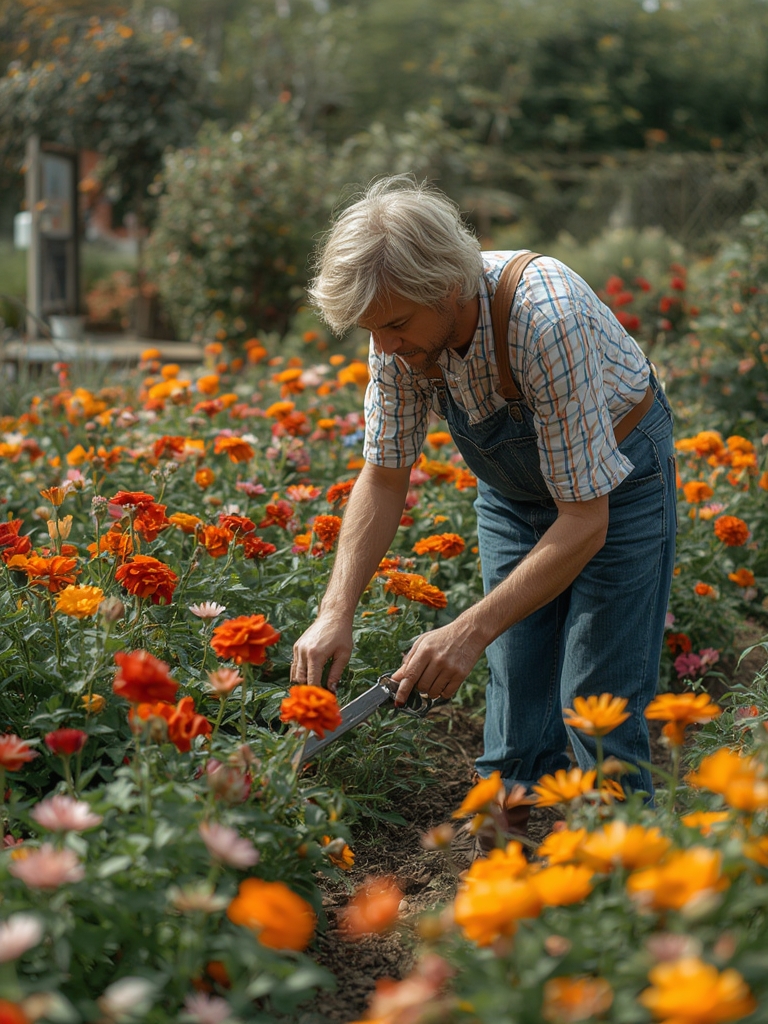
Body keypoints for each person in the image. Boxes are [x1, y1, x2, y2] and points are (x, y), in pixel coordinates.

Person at [290, 175, 676, 811]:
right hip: (514, 491)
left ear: (445, 287)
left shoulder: (545, 320)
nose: (382, 346)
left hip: (617, 485)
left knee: (595, 703)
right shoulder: (400, 333)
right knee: (518, 689)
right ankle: (509, 863)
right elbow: (384, 475)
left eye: (393, 325)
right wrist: (336, 611)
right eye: (370, 329)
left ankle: (628, 871)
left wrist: (467, 630)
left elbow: (584, 519)